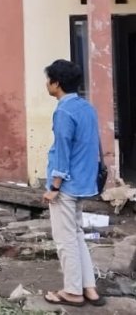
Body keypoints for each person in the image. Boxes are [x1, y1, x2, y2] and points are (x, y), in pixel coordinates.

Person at [42, 59, 105, 308]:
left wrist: (54, 188)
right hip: (84, 182)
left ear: (57, 84)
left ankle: (72, 292)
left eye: (48, 80)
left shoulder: (63, 112)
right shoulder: (87, 108)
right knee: (77, 235)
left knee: (65, 240)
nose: (47, 84)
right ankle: (89, 288)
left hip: (66, 186)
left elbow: (63, 152)